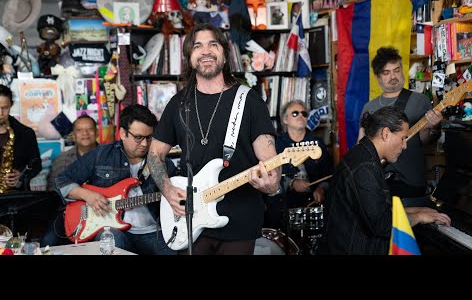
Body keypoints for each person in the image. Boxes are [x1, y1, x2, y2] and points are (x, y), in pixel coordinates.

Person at [147, 22, 281, 255]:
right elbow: (154, 154)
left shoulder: (248, 100)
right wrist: (167, 189)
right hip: (191, 220)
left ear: (224, 54)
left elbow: (269, 159)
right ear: (189, 57)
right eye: (198, 46)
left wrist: (272, 183)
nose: (206, 51)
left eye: (213, 44)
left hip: (239, 221)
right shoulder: (179, 104)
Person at [318, 106, 451, 255]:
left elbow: (376, 210)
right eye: (403, 138)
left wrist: (418, 210)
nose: (404, 146)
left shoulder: (362, 155)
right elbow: (383, 224)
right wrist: (420, 217)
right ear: (386, 134)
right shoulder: (364, 168)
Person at [55, 104, 177, 255]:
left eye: (149, 137)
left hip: (153, 231)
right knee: (114, 242)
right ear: (122, 133)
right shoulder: (101, 155)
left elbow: (178, 192)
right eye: (138, 137)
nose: (145, 144)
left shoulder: (162, 162)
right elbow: (61, 181)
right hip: (110, 230)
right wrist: (88, 196)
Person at [357, 46, 443, 199]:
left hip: (411, 181)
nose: (393, 76)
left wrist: (434, 126)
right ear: (378, 77)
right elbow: (361, 145)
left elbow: (426, 140)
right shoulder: (369, 107)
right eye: (386, 72)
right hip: (378, 182)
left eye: (396, 70)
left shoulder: (420, 101)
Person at [264, 100, 334, 230]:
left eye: (304, 113)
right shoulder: (276, 145)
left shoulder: (317, 143)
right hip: (283, 207)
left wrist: (321, 189)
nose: (301, 116)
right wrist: (291, 183)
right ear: (285, 120)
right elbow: (268, 177)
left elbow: (329, 175)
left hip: (312, 205)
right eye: (295, 113)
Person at [40, 115, 98, 247]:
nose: (85, 133)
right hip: (67, 212)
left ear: (96, 132)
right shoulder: (62, 160)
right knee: (48, 241)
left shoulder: (108, 156)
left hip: (100, 209)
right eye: (79, 130)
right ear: (73, 135)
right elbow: (52, 191)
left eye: (89, 129)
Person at [0, 84, 41, 192]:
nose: (0, 113)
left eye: (5, 108)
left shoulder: (25, 133)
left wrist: (22, 174)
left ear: (11, 105)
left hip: (13, 198)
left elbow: (37, 164)